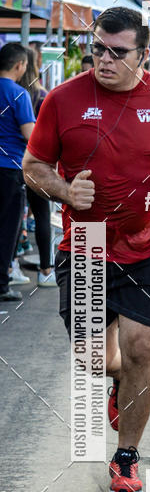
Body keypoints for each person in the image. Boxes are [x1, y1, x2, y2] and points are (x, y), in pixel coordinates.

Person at [22, 7, 150, 492]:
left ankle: (126, 457)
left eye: (118, 51)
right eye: (97, 48)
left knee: (142, 349)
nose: (104, 59)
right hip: (86, 245)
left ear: (144, 53)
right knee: (92, 359)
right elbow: (33, 166)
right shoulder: (63, 98)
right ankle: (120, 380)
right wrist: (63, 190)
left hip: (146, 248)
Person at [0, 42, 36, 302]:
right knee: (7, 228)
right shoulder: (18, 94)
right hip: (10, 168)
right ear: (20, 65)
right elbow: (30, 135)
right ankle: (2, 284)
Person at [18, 48, 54, 287]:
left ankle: (11, 266)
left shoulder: (12, 93)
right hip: (38, 166)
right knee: (42, 216)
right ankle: (45, 270)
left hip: (11, 164)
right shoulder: (43, 96)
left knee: (12, 219)